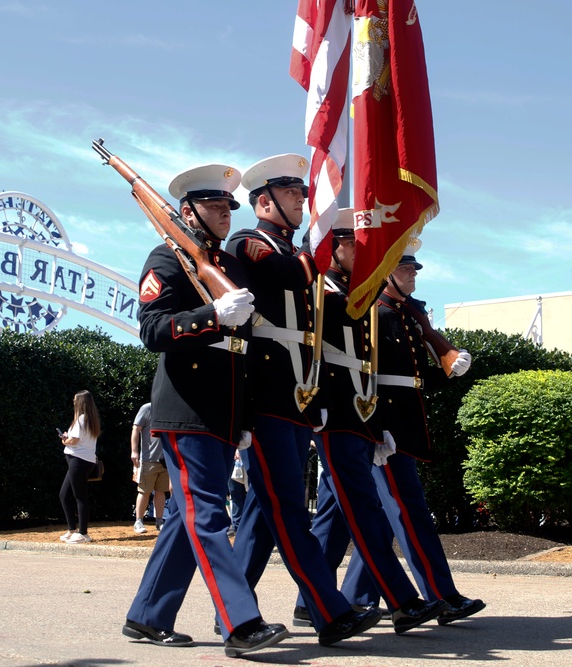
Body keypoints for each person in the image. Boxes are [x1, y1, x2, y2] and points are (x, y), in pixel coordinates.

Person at [123, 163, 288, 657]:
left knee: (183, 516)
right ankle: (240, 621)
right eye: (215, 206)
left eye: (228, 206)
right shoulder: (167, 259)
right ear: (187, 211)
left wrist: (243, 419)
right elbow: (152, 330)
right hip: (187, 406)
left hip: (224, 411)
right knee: (207, 514)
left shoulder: (229, 267)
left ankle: (148, 616)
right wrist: (212, 315)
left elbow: (243, 354)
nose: (225, 212)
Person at [224, 154, 381, 645]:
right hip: (268, 394)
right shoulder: (248, 242)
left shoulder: (295, 249)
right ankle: (328, 609)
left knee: (263, 513)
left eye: (303, 193)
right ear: (265, 201)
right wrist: (319, 237)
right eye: (294, 195)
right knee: (289, 508)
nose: (303, 201)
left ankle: (232, 609)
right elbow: (291, 278)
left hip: (298, 394)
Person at [296, 210, 448, 635]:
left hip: (360, 413)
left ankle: (315, 603)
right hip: (335, 413)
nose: (364, 255)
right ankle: (400, 601)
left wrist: (376, 420)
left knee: (340, 513)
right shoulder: (321, 290)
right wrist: (318, 406)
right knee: (363, 511)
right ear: (334, 247)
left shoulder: (352, 290)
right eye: (355, 246)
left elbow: (366, 364)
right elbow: (315, 355)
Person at [339, 238, 486, 625]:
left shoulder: (407, 313)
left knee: (392, 514)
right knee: (408, 510)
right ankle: (443, 595)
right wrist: (376, 427)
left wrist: (446, 368)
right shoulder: (376, 312)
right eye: (405, 268)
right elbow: (366, 375)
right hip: (384, 425)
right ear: (386, 272)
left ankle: (354, 596)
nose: (413, 273)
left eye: (414, 268)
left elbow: (414, 378)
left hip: (406, 421)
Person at [58, 390, 101, 544]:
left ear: (80, 402)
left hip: (78, 460)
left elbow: (74, 441)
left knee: (79, 497)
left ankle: (83, 533)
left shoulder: (81, 420)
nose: (73, 402)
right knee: (64, 494)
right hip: (84, 460)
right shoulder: (91, 420)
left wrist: (64, 440)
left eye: (75, 400)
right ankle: (72, 530)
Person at [130, 402, 168, 534]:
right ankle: (138, 521)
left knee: (161, 491)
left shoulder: (169, 408)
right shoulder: (147, 408)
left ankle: (159, 520)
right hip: (148, 459)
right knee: (144, 491)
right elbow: (136, 429)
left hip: (165, 459)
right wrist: (134, 451)